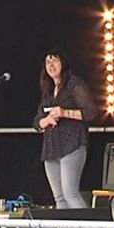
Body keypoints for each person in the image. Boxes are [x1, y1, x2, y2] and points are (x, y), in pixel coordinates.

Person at [33, 49, 96, 209]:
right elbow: (36, 122)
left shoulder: (74, 84)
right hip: (51, 148)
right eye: (47, 62)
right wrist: (45, 121)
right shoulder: (47, 92)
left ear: (64, 64)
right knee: (59, 198)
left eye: (54, 61)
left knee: (70, 193)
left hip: (72, 144)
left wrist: (65, 112)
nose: (50, 65)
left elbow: (90, 112)